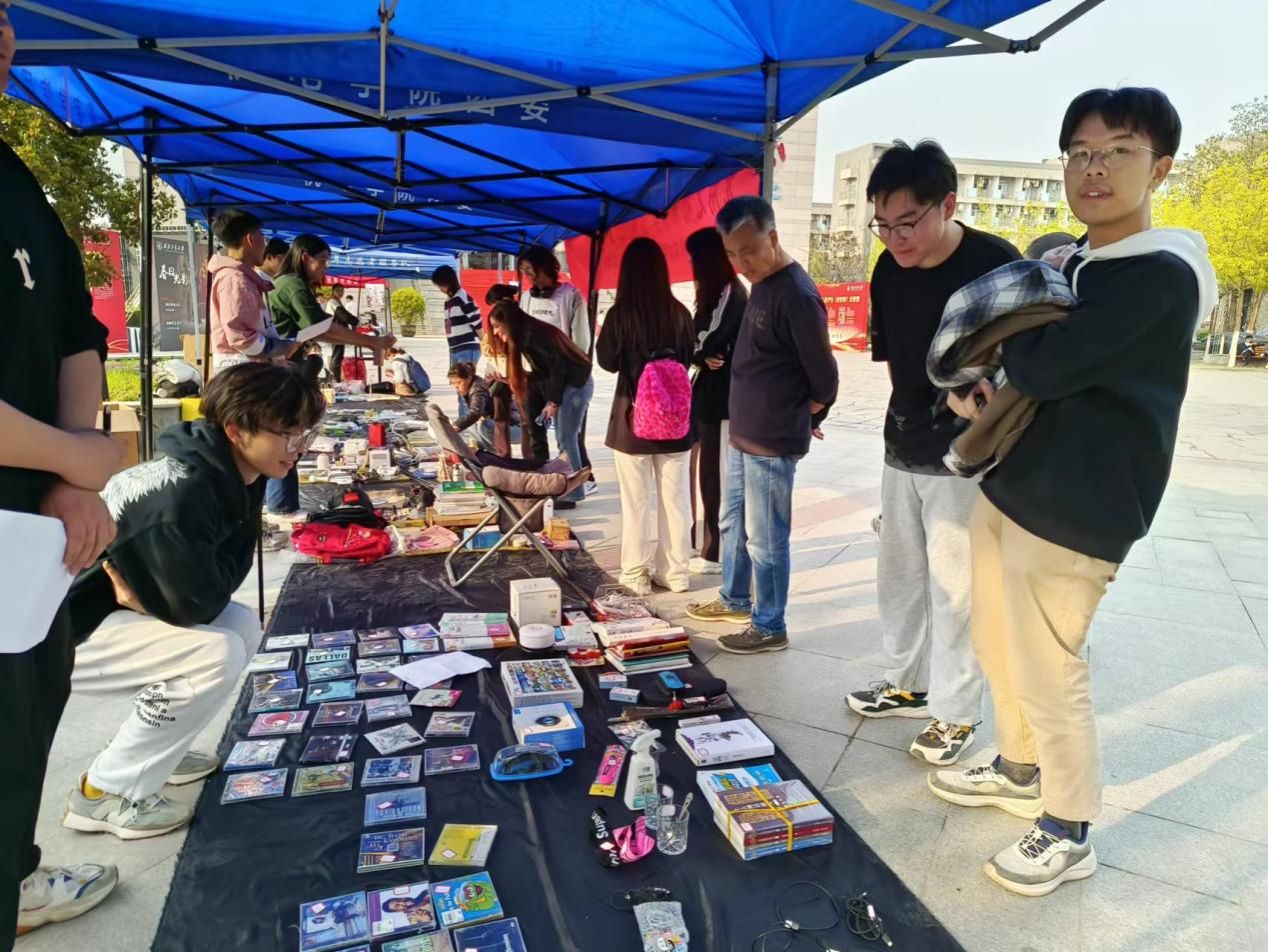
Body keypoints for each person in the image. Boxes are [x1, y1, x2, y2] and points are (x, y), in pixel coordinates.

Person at [928, 88, 1217, 896]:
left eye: (1118, 151)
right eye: (1080, 152)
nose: (1094, 168)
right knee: (999, 643)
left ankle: (1068, 825)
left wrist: (1018, 342)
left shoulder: (1158, 274)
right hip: (1019, 481)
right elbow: (1028, 354)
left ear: (1159, 168)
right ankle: (1019, 767)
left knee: (1049, 664)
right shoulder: (1083, 264)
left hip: (1081, 503)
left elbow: (1046, 364)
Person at [63, 362, 325, 839]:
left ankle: (158, 751)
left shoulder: (234, 472)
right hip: (62, 630)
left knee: (241, 624)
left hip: (112, 611)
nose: (299, 449)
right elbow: (194, 604)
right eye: (288, 435)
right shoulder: (184, 493)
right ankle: (104, 793)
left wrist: (151, 598)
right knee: (214, 651)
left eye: (305, 434)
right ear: (236, 430)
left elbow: (217, 586)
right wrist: (163, 599)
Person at [1, 6, 122, 938]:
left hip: (33, 546)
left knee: (20, 747)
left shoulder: (17, 179)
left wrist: (73, 473)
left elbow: (77, 331)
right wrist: (72, 456)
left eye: (5, 14)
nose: (5, 34)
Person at [842, 141, 1020, 768]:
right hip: (903, 444)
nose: (895, 239)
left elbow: (1031, 363)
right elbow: (895, 359)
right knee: (900, 576)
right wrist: (909, 419)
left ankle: (957, 711)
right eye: (883, 226)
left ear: (947, 204)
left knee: (957, 588)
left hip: (968, 456)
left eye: (908, 223)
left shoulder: (996, 264)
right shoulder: (888, 270)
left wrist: (983, 399)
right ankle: (906, 682)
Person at [686, 196, 838, 654]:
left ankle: (770, 625)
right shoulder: (762, 286)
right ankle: (734, 598)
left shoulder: (797, 295)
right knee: (731, 521)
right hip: (743, 432)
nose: (741, 263)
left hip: (770, 442)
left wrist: (804, 416)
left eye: (749, 251)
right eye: (732, 254)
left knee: (766, 538)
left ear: (773, 237)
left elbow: (825, 379)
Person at [595, 238, 697, 595]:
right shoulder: (680, 313)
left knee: (636, 502)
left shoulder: (620, 314)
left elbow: (607, 362)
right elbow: (687, 359)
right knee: (676, 500)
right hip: (676, 421)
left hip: (633, 420)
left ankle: (636, 573)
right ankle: (676, 572)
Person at [267, 234, 393, 515]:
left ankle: (281, 504)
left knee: (287, 439)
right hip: (281, 372)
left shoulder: (292, 283)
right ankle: (281, 507)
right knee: (284, 440)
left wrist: (370, 342)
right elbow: (324, 328)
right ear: (305, 258)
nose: (326, 266)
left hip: (284, 368)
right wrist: (372, 342)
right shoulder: (292, 284)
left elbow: (319, 330)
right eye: (322, 260)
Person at [486, 300, 593, 508]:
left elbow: (557, 368)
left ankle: (572, 493)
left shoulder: (534, 335)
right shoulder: (525, 336)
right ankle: (560, 488)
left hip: (576, 384)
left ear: (509, 321)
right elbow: (543, 373)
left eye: (497, 326)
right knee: (561, 436)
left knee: (566, 438)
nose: (496, 332)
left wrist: (553, 402)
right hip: (565, 383)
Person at [685, 227, 748, 575]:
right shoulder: (716, 294)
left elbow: (706, 339)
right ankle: (709, 546)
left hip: (723, 400)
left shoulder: (731, 293)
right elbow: (698, 343)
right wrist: (698, 355)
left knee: (718, 476)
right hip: (709, 397)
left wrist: (696, 352)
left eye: (695, 259)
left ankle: (718, 550)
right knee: (709, 474)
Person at [518, 246, 595, 491]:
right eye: (523, 270)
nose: (528, 274)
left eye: (530, 268)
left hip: (567, 375)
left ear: (545, 266)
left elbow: (581, 343)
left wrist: (562, 377)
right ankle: (544, 482)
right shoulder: (526, 298)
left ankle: (575, 486)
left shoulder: (571, 296)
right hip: (536, 375)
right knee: (536, 431)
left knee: (566, 436)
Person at [208, 209, 296, 371]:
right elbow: (240, 337)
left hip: (250, 370)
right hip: (242, 373)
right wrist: (278, 347)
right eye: (264, 238)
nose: (265, 246)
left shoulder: (242, 277)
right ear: (251, 239)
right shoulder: (234, 279)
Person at [431, 265, 482, 415]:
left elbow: (477, 321)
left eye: (441, 284)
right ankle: (463, 420)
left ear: (449, 281)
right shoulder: (449, 300)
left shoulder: (462, 297)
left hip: (467, 347)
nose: (440, 288)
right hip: (455, 348)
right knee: (458, 387)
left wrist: (485, 343)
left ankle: (468, 421)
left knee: (466, 387)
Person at [448, 362, 520, 453]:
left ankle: (494, 455)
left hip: (517, 428)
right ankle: (481, 452)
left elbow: (476, 412)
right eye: (453, 383)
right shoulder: (471, 387)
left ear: (469, 379)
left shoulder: (478, 389)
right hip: (503, 426)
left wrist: (456, 426)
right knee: (473, 425)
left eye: (459, 382)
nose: (456, 387)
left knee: (484, 426)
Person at [323, 282, 360, 384]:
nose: (340, 292)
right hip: (336, 332)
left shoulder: (336, 301)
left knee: (337, 356)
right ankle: (335, 380)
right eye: (338, 290)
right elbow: (343, 315)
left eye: (342, 290)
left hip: (338, 331)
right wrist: (355, 321)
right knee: (337, 356)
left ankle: (335, 379)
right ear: (333, 291)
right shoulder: (332, 301)